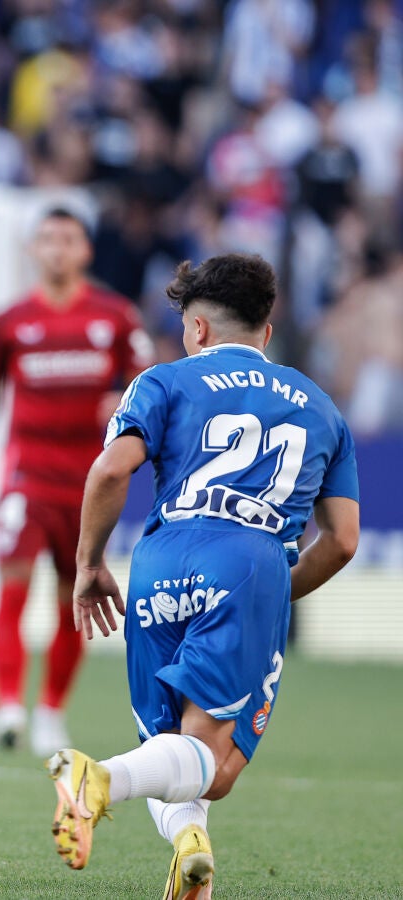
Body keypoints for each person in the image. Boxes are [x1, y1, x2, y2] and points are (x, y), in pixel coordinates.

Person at [49, 254, 360, 899]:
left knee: (170, 747)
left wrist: (89, 564)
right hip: (249, 557)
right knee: (216, 767)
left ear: (196, 328)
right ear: (266, 332)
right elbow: (342, 540)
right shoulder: (321, 407)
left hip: (160, 557)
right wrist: (270, 596)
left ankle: (192, 854)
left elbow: (110, 470)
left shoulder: (162, 380)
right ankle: (96, 778)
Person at [0, 207, 151, 757]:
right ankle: (8, 706)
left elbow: (149, 386)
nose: (57, 248)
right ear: (33, 250)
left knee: (73, 596)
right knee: (13, 582)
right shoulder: (8, 321)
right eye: (47, 239)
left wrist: (125, 400)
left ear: (85, 251)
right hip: (27, 477)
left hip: (90, 484)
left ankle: (51, 712)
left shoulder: (116, 317)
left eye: (68, 239)